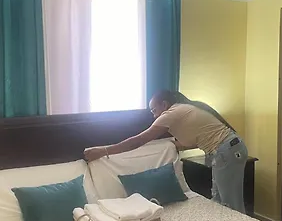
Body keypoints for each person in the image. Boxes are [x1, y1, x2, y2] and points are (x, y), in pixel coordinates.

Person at [84, 90, 248, 213]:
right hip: (227, 151)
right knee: (218, 198)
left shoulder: (172, 113)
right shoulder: (183, 112)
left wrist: (104, 151)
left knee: (230, 203)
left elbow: (139, 140)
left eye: (154, 110)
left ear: (164, 105)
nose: (154, 116)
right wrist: (169, 146)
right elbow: (193, 140)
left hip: (226, 151)